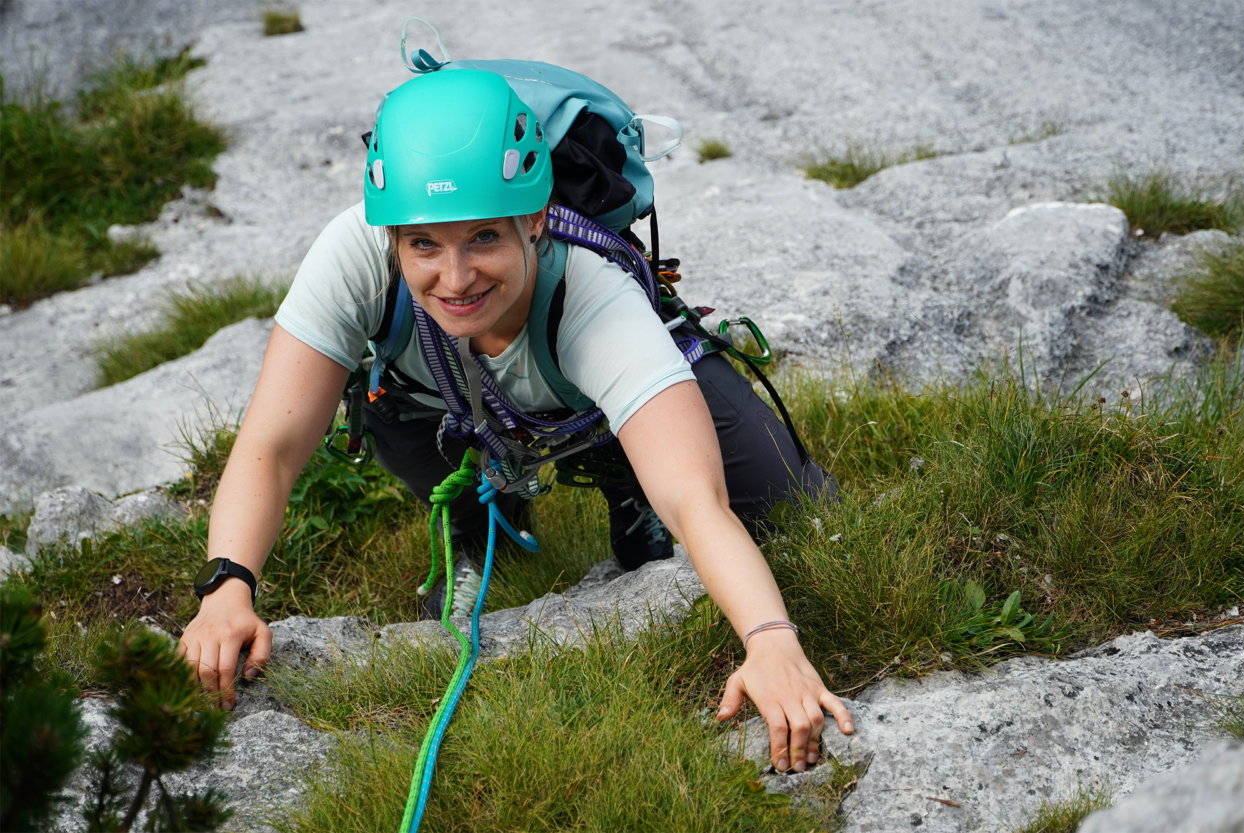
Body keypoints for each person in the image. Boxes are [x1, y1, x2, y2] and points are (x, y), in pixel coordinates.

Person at [177, 67, 855, 774]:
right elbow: (273, 443)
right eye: (425, 245)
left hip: (580, 395)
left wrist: (770, 636)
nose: (457, 276)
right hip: (435, 400)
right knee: (386, 402)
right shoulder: (354, 257)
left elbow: (695, 497)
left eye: (485, 238)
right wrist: (227, 587)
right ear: (393, 236)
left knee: (786, 504)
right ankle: (479, 516)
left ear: (535, 220)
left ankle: (625, 479)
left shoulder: (592, 295)